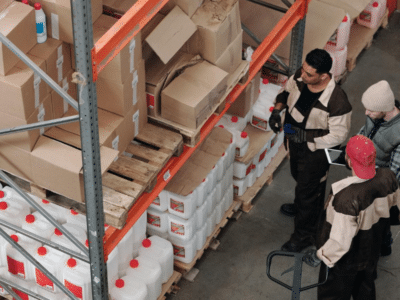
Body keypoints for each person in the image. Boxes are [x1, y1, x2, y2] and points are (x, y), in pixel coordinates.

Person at [268, 49, 352, 252]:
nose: (302, 75)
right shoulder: (301, 77)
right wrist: (277, 111)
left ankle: (305, 235)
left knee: (310, 189)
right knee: (297, 175)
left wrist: (307, 139)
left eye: (309, 74)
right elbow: (285, 92)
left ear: (323, 76)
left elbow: (339, 135)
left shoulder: (337, 101)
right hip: (293, 136)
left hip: (316, 150)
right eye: (303, 70)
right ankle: (302, 207)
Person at [302, 135, 400, 300]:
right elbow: (396, 212)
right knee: (365, 288)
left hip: (345, 262)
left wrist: (322, 255)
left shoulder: (345, 199)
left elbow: (340, 242)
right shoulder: (388, 177)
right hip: (371, 250)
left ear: (348, 160)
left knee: (333, 294)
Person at [358, 80, 400, 256]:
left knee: (379, 218)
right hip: (367, 171)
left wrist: (369, 178)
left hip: (380, 182)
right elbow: (365, 131)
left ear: (386, 109)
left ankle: (381, 245)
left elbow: (393, 175)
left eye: (371, 110)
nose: (367, 113)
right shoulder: (376, 112)